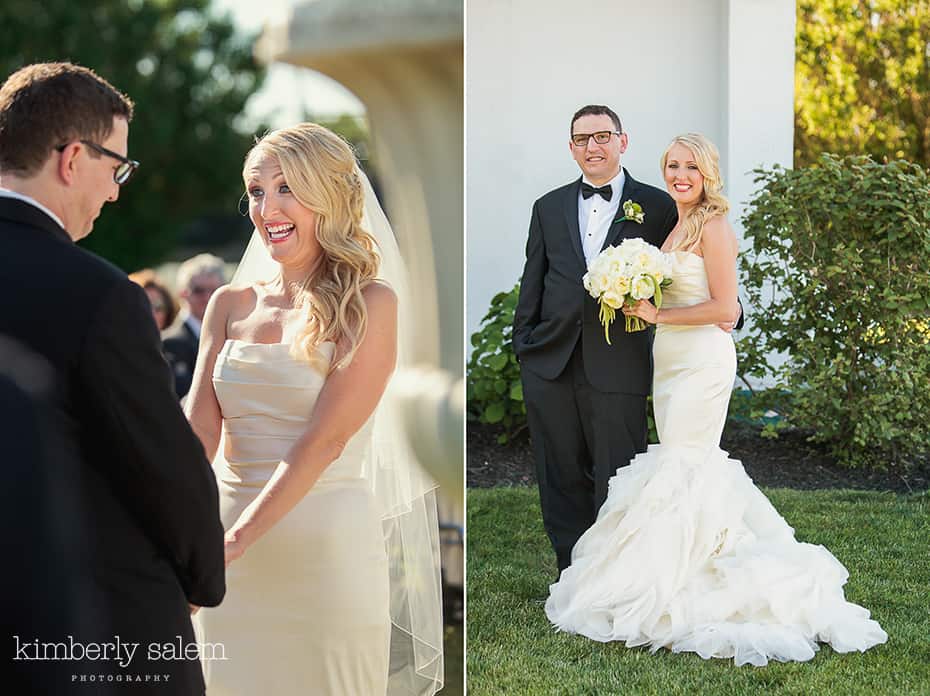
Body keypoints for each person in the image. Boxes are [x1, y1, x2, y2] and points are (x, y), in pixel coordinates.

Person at [545, 133, 887, 665]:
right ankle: (681, 565)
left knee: (688, 461)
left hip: (702, 361)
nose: (680, 175)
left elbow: (726, 308)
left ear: (708, 174)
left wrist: (657, 315)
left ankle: (700, 577)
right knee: (682, 462)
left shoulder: (716, 226)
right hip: (670, 359)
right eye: (673, 166)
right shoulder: (676, 223)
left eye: (691, 167)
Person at [187, 123, 443, 695]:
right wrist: (175, 526)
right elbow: (197, 433)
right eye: (256, 191)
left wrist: (234, 542)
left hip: (322, 552)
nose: (267, 207)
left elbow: (323, 442)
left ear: (328, 196)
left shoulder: (371, 304)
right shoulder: (227, 305)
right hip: (225, 551)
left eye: (287, 188)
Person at [0, 62, 225, 693]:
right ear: (73, 158)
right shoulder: (99, 295)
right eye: (116, 167)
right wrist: (203, 577)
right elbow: (161, 464)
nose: (116, 191)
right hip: (97, 629)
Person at [514, 105, 684, 575]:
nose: (593, 146)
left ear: (622, 142)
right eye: (582, 139)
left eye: (602, 136)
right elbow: (534, 279)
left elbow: (686, 270)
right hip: (550, 361)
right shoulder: (547, 207)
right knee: (559, 470)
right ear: (572, 148)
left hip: (620, 361)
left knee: (619, 471)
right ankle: (571, 566)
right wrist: (525, 344)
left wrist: (715, 309)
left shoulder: (658, 205)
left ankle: (616, 567)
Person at [163, 253, 226, 398]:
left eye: (214, 291)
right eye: (198, 290)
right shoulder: (169, 342)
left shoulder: (232, 336)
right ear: (183, 293)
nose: (207, 297)